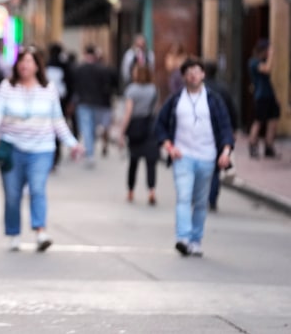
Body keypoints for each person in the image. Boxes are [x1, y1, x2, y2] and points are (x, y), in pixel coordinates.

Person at [0, 47, 82, 252]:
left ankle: (40, 231)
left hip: (42, 149)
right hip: (12, 148)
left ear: (38, 65)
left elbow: (57, 120)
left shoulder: (48, 89)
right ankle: (13, 233)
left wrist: (72, 143)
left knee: (37, 189)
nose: (25, 65)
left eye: (29, 61)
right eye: (21, 61)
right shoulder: (7, 87)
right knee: (12, 194)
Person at [154, 57, 234, 257]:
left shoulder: (214, 100)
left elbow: (226, 127)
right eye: (189, 72)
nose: (193, 75)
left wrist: (225, 151)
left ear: (203, 74)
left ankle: (195, 240)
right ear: (183, 77)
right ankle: (183, 238)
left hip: (207, 157)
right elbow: (160, 125)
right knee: (183, 197)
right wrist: (168, 146)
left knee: (200, 202)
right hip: (183, 156)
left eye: (197, 71)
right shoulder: (175, 100)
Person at [117, 64, 159, 205]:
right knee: (151, 162)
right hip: (150, 126)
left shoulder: (132, 90)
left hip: (135, 126)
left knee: (133, 161)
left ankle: (130, 190)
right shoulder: (153, 89)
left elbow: (128, 112)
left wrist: (122, 132)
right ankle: (151, 190)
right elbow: (155, 108)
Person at [72, 45, 118, 166]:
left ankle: (90, 152)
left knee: (87, 128)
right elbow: (108, 86)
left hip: (84, 102)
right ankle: (90, 150)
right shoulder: (102, 69)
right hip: (98, 103)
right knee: (92, 128)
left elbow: (74, 86)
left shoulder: (79, 69)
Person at [204, 61, 238, 211]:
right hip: (218, 133)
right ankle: (212, 198)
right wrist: (233, 130)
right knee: (216, 169)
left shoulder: (200, 89)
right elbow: (232, 110)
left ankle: (202, 196)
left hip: (203, 133)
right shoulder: (223, 89)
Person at [247, 39, 281, 159]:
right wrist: (271, 56)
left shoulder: (260, 61)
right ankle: (252, 144)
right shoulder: (254, 62)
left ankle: (269, 145)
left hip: (269, 95)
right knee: (259, 120)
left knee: (273, 119)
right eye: (268, 50)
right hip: (261, 96)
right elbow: (267, 69)